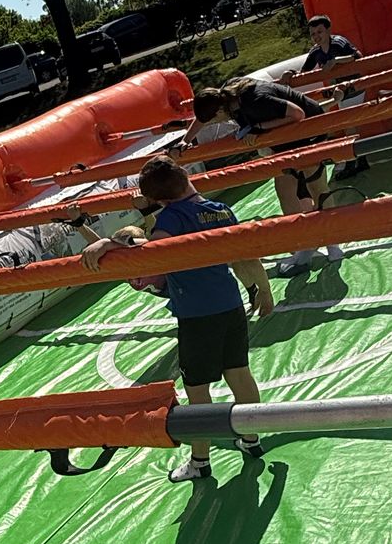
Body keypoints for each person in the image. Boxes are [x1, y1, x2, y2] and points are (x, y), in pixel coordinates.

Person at [76, 157, 274, 484]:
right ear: (185, 175)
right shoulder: (221, 210)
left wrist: (110, 243)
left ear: (159, 199)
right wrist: (262, 289)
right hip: (230, 305)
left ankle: (200, 461)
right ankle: (252, 438)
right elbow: (245, 255)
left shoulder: (172, 217)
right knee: (239, 373)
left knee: (197, 391)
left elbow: (152, 258)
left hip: (197, 314)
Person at [223, 75, 343, 277]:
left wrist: (260, 129)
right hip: (286, 142)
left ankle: (333, 243)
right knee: (286, 191)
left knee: (317, 187)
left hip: (307, 134)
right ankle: (304, 245)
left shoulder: (257, 99)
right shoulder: (236, 103)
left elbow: (299, 114)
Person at [295, 14, 360, 77]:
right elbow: (304, 71)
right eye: (313, 34)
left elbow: (357, 55)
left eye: (319, 32)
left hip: (356, 78)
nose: (316, 36)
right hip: (338, 82)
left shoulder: (338, 42)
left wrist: (336, 60)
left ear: (328, 30)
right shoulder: (315, 51)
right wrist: (293, 73)